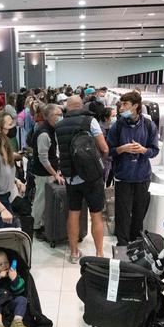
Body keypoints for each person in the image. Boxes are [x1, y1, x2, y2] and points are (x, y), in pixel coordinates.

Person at [55, 95, 109, 263]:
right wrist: (100, 164)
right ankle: (99, 253)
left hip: (71, 178)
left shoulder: (58, 125)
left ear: (68, 107)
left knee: (73, 213)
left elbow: (60, 152)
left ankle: (74, 253)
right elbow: (104, 148)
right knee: (96, 215)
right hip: (92, 178)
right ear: (81, 105)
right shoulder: (89, 121)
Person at [107, 91, 159, 246]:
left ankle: (135, 242)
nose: (121, 108)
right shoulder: (117, 126)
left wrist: (143, 150)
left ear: (136, 106)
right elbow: (108, 151)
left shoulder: (149, 125)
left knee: (139, 212)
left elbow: (154, 150)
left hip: (142, 176)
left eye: (125, 104)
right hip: (123, 176)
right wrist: (122, 149)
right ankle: (122, 244)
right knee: (122, 213)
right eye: (121, 104)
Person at [30, 104, 64, 241]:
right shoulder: (44, 133)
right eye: (59, 115)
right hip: (43, 173)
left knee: (45, 200)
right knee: (40, 200)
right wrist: (54, 173)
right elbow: (43, 158)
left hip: (49, 172)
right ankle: (36, 226)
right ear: (50, 116)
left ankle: (42, 223)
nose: (61, 117)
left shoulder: (51, 130)